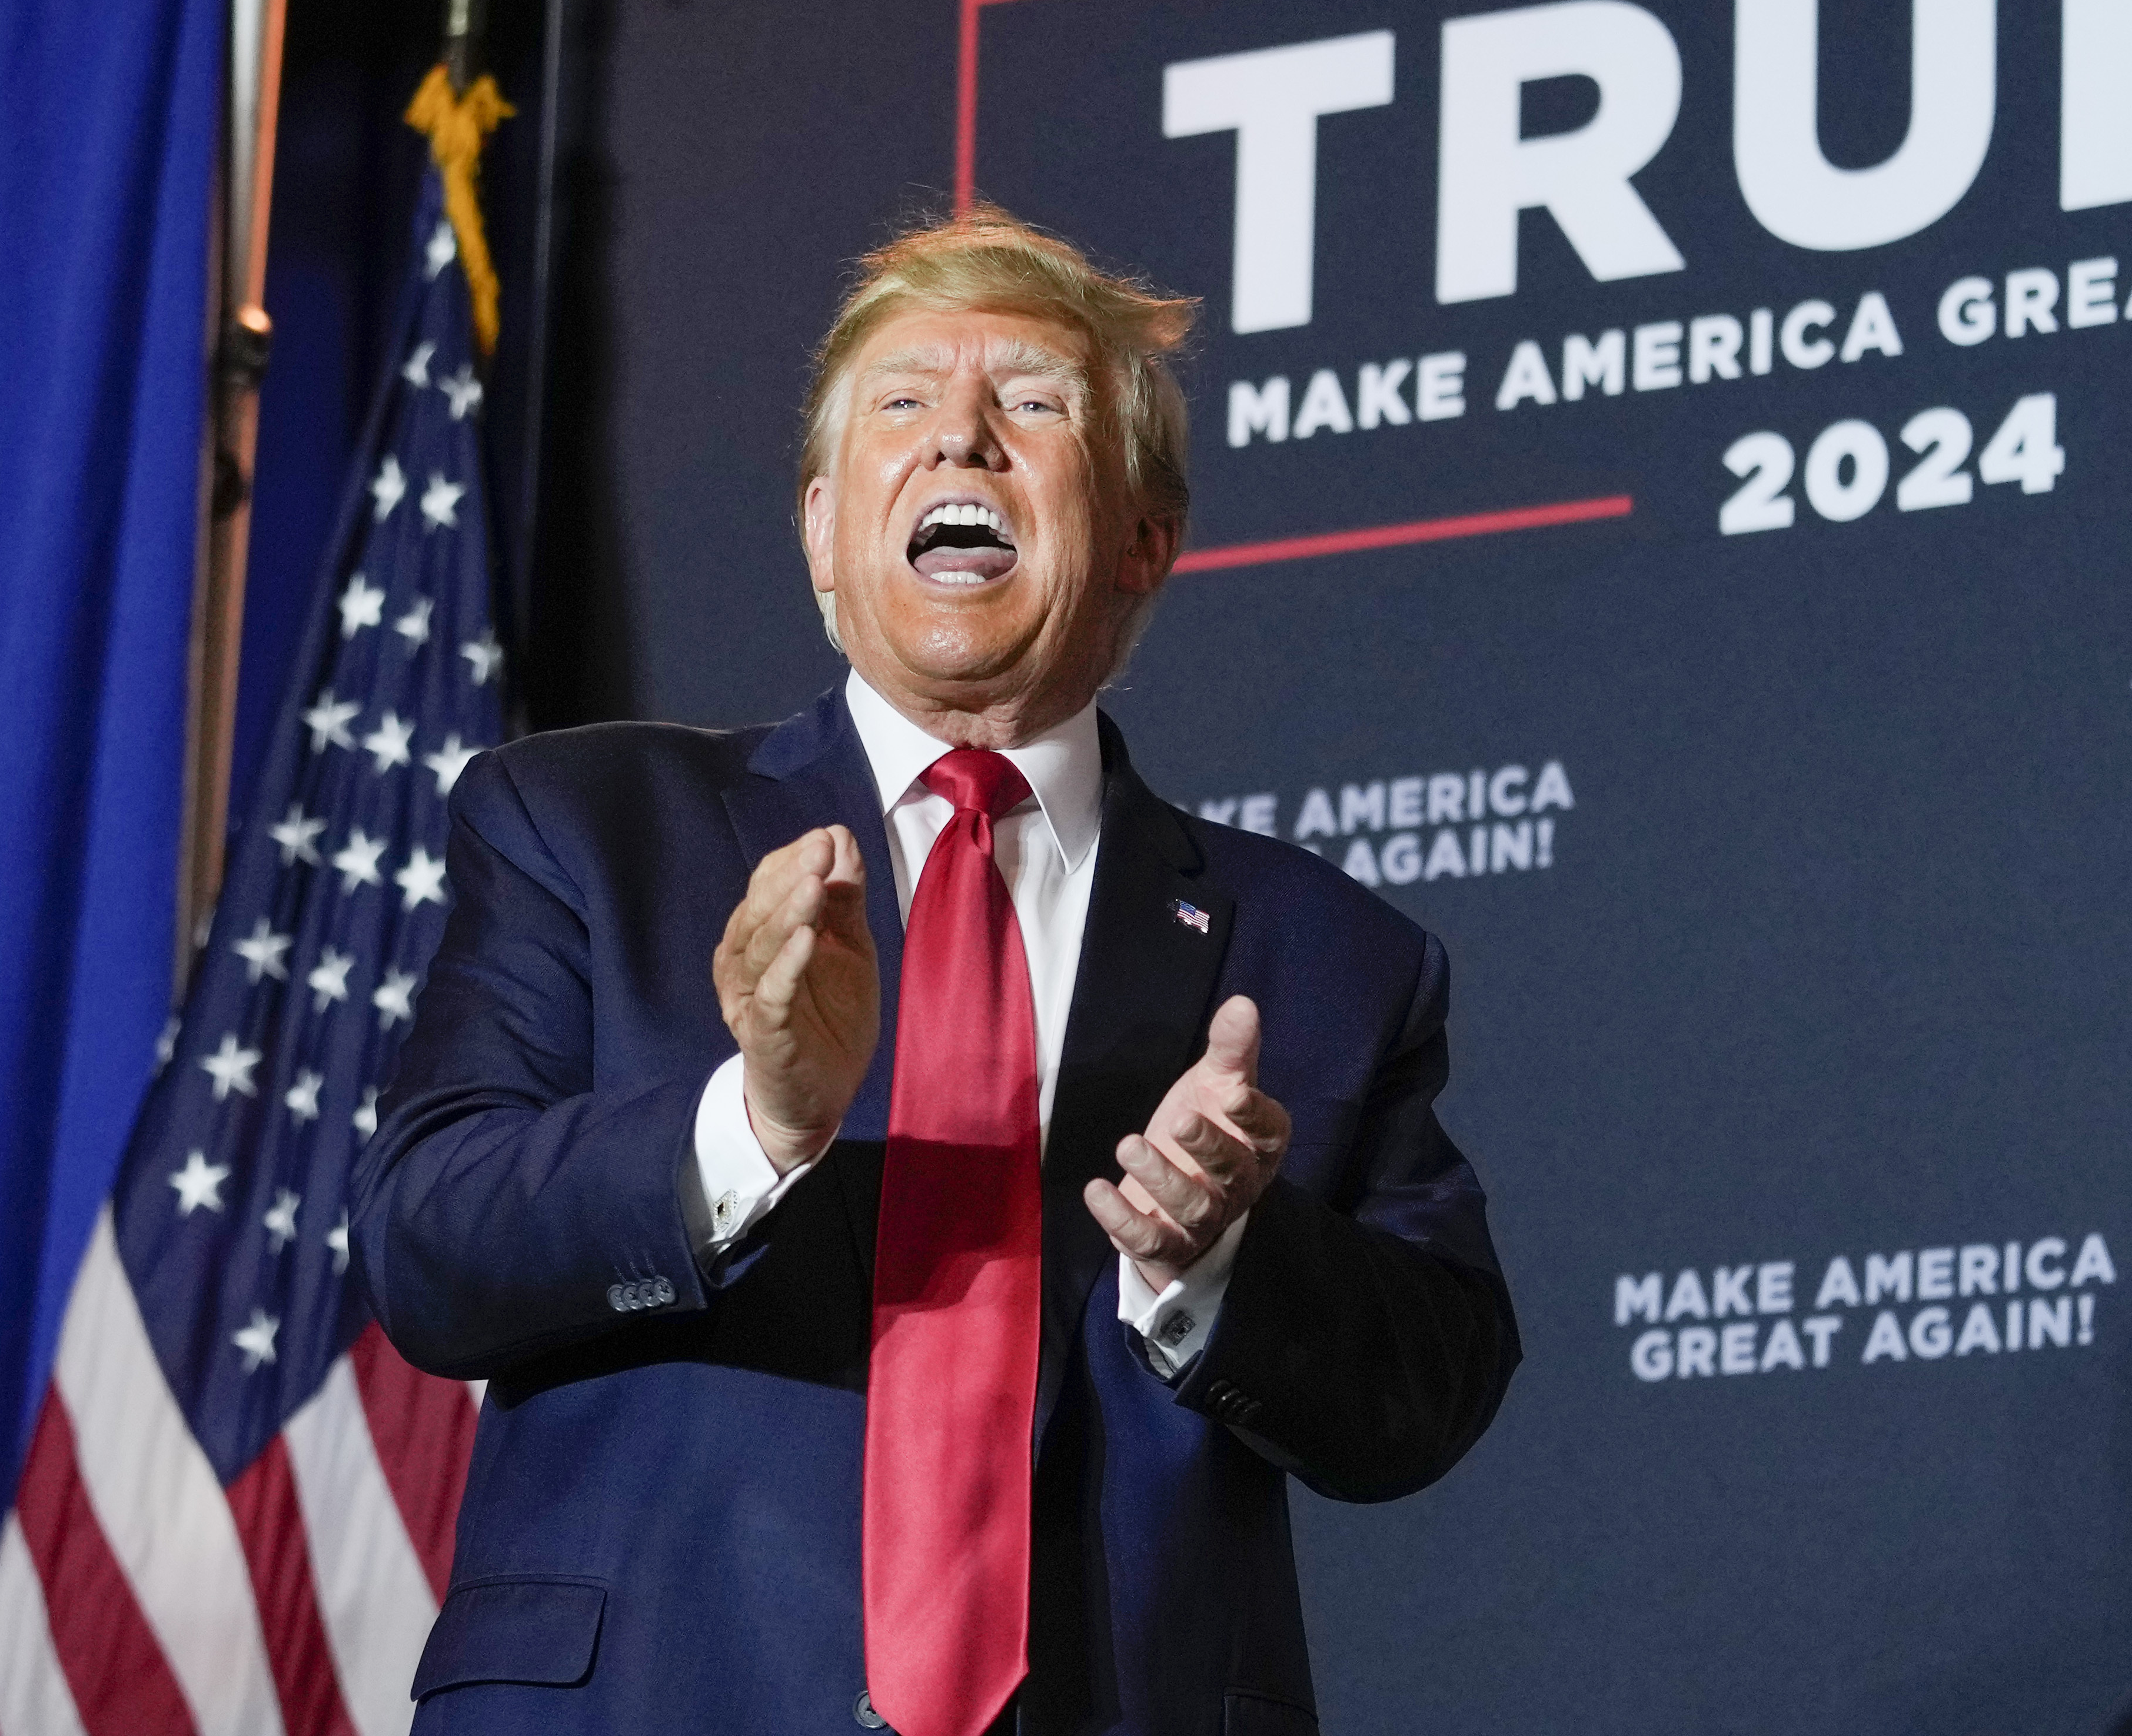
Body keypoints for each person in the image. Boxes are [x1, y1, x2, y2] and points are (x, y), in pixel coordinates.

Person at [354, 207, 1519, 1736]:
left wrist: (1221, 1256)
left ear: (1143, 538)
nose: (960, 437)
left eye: (1031, 403)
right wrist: (754, 1119)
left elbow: (1426, 1390)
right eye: (903, 403)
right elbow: (428, 1245)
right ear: (825, 529)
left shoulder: (1325, 951)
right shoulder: (584, 828)